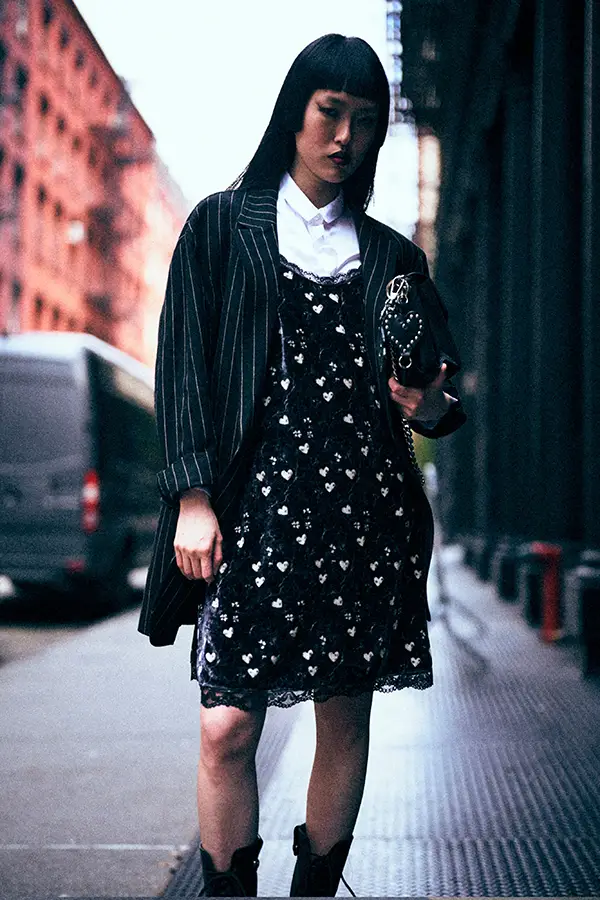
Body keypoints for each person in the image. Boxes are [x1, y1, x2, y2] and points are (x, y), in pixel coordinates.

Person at [138, 33, 466, 897]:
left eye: (365, 121)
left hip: (363, 519)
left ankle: (315, 890)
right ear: (295, 112)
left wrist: (426, 405)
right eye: (330, 112)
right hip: (252, 518)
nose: (345, 137)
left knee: (344, 720)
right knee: (226, 728)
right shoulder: (222, 226)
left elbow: (439, 396)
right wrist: (192, 497)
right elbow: (182, 365)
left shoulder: (393, 258)